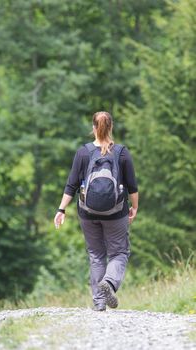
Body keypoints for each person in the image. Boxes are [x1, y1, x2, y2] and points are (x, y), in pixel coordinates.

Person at [54, 111, 139, 311]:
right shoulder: (121, 152)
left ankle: (99, 303)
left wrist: (61, 209)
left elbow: (71, 185)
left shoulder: (83, 152)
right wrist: (134, 207)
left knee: (96, 254)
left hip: (87, 212)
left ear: (93, 128)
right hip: (116, 213)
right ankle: (109, 283)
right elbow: (132, 186)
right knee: (119, 252)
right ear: (111, 128)